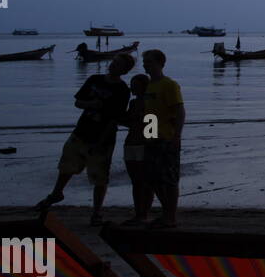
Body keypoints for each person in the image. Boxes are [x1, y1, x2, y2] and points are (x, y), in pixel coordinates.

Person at [36, 52, 135, 225]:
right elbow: (78, 102)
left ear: (124, 70)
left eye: (118, 64)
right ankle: (56, 193)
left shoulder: (122, 90)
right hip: (81, 131)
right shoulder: (94, 80)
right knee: (67, 166)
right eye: (114, 61)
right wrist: (91, 104)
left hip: (102, 137)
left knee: (100, 176)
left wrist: (102, 139)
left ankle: (96, 212)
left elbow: (115, 118)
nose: (113, 65)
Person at [141, 49, 185, 229]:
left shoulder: (169, 85)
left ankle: (171, 216)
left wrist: (176, 136)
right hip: (152, 137)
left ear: (160, 63)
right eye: (145, 62)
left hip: (167, 138)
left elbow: (179, 111)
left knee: (169, 179)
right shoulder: (149, 86)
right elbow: (150, 113)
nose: (145, 65)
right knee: (152, 178)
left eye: (149, 62)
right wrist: (148, 135)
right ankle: (167, 212)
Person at [120, 74, 154, 226]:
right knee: (135, 181)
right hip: (130, 143)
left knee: (145, 181)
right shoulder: (133, 103)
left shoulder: (150, 103)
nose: (132, 87)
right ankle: (139, 213)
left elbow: (151, 127)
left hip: (143, 144)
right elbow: (128, 122)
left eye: (135, 84)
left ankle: (144, 213)